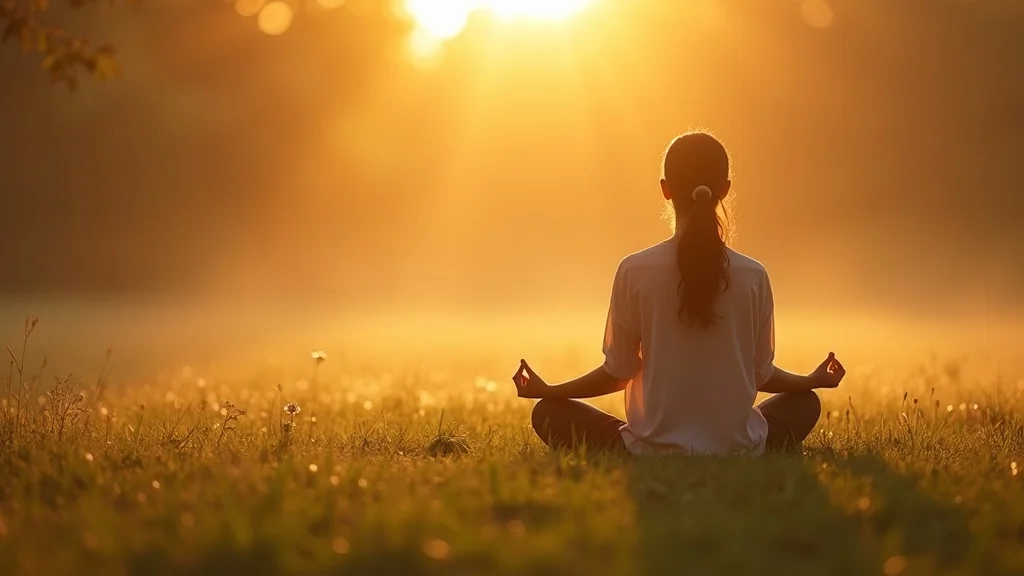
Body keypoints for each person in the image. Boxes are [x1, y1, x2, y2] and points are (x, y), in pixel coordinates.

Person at [511, 132, 846, 456]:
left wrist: (551, 391)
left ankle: (638, 448)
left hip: (648, 451)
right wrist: (809, 381)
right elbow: (761, 374)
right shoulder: (754, 274)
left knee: (548, 412)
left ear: (665, 190)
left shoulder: (634, 269)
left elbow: (619, 372)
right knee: (805, 402)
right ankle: (744, 445)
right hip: (739, 449)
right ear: (725, 190)